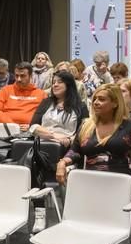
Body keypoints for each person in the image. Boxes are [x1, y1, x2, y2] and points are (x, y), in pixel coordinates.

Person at [56, 84, 131, 244]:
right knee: (84, 203)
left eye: (102, 99)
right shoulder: (86, 125)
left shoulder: (129, 126)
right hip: (91, 180)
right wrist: (62, 162)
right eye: (95, 98)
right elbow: (74, 151)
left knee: (94, 207)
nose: (96, 102)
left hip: (118, 181)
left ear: (115, 103)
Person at [29, 71, 89, 233]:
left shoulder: (80, 106)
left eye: (59, 82)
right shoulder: (46, 103)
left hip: (69, 151)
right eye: (53, 82)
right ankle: (40, 213)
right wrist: (54, 135)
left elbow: (84, 131)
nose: (54, 85)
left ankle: (68, 214)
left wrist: (69, 140)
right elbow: (33, 126)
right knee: (34, 166)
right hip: (43, 149)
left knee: (66, 171)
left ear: (68, 85)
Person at [0, 61, 47, 132]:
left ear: (30, 76)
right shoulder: (5, 90)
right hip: (6, 129)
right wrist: (13, 126)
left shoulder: (41, 94)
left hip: (31, 131)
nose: (19, 79)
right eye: (16, 75)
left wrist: (32, 126)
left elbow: (46, 117)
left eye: (22, 76)